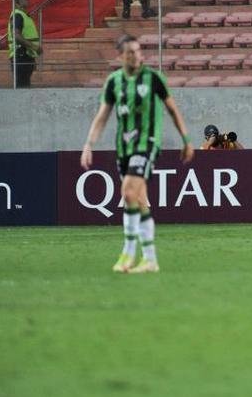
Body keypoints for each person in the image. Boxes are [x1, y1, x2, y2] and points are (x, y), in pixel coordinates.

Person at [81, 34, 194, 274]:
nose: (135, 55)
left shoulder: (153, 78)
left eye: (138, 50)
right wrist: (89, 144)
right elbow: (103, 115)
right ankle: (150, 259)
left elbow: (173, 110)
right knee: (139, 200)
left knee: (128, 192)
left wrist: (186, 139)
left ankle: (128, 253)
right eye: (130, 52)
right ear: (120, 56)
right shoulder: (114, 82)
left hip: (147, 143)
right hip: (124, 147)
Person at [6, 0, 39, 88]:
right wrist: (34, 47)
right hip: (20, 55)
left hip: (26, 54)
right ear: (17, 3)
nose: (27, 0)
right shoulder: (17, 15)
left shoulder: (23, 15)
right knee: (22, 87)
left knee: (25, 85)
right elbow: (17, 36)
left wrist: (32, 57)